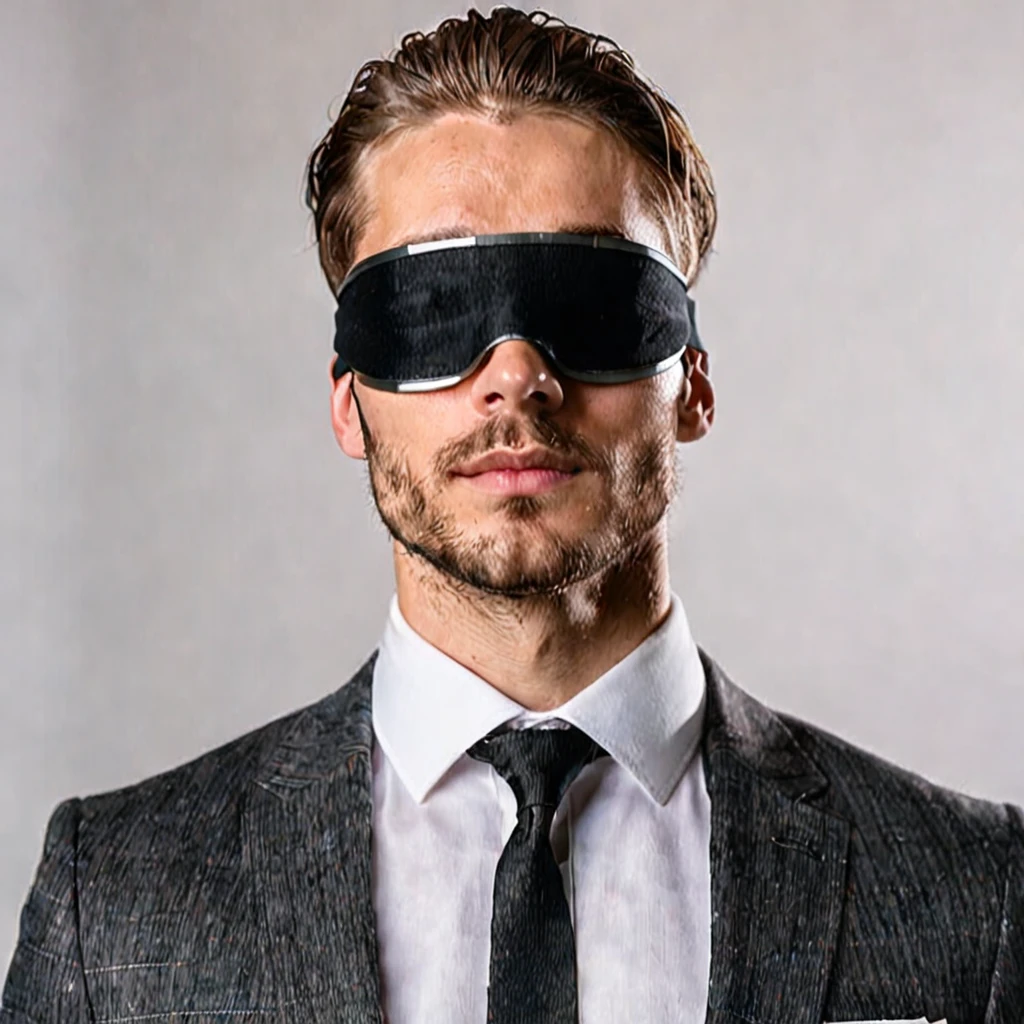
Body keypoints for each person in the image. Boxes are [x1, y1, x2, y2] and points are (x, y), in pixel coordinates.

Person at [3, 6, 1021, 1023]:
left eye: (590, 302)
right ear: (347, 400)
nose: (517, 376)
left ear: (695, 384)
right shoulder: (117, 907)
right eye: (435, 307)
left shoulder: (976, 895)